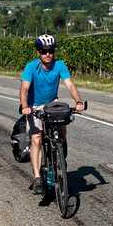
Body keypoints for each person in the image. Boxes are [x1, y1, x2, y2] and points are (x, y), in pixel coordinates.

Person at [19, 34, 84, 195]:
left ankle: (61, 149)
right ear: (38, 52)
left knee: (63, 125)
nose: (47, 54)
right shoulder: (31, 67)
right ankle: (37, 177)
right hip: (34, 107)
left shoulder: (60, 65)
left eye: (50, 51)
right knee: (36, 139)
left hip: (51, 104)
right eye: (43, 51)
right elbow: (24, 89)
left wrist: (78, 101)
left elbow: (70, 85)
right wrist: (25, 106)